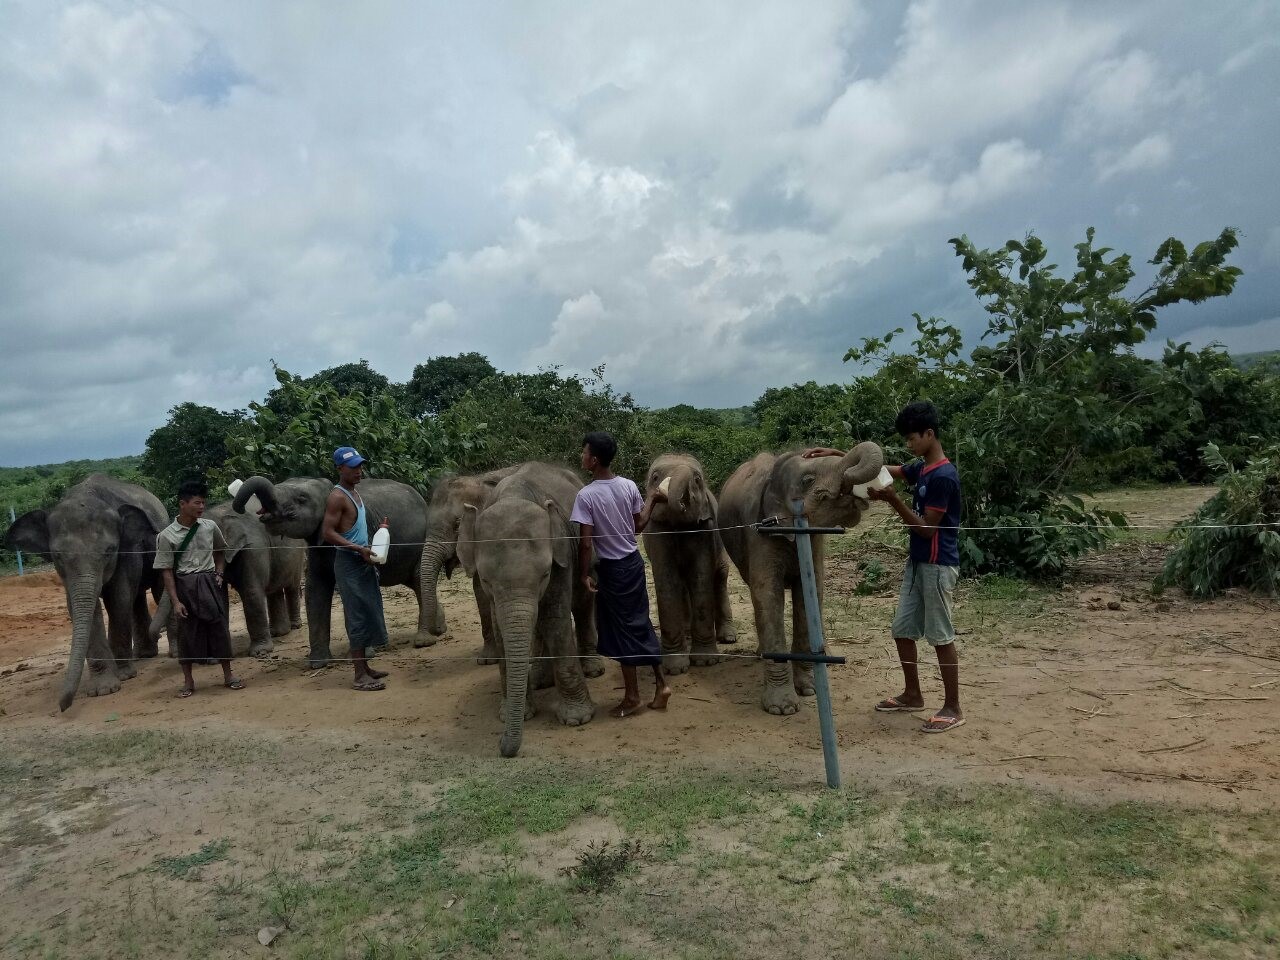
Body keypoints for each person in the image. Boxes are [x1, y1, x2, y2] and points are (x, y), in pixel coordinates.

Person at [806, 400, 965, 733]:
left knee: (940, 636)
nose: (909, 444)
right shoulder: (922, 468)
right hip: (918, 563)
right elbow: (882, 470)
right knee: (902, 630)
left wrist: (893, 500)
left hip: (938, 565)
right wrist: (840, 457)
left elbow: (927, 529)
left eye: (912, 438)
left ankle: (953, 707)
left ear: (929, 434)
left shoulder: (943, 476)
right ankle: (912, 694)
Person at [571, 431, 671, 717]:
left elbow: (586, 543)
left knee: (622, 629)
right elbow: (638, 526)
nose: (582, 456)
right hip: (633, 564)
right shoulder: (627, 486)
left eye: (584, 452)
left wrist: (583, 574)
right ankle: (661, 685)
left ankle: (632, 697)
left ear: (594, 460)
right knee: (640, 622)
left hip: (613, 570)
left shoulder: (586, 496)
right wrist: (652, 499)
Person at [154, 480, 242, 698]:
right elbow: (166, 571)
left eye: (203, 502)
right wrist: (176, 601)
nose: (201, 507)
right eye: (196, 503)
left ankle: (229, 675)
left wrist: (219, 573)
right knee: (187, 633)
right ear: (182, 504)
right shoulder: (166, 536)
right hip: (185, 585)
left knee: (219, 628)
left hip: (210, 583)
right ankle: (188, 681)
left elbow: (220, 551)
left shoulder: (210, 527)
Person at [322, 446, 390, 692]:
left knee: (368, 610)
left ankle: (365, 667)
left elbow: (352, 529)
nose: (359, 471)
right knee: (357, 616)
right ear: (340, 468)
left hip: (361, 560)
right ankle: (359, 675)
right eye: (353, 467)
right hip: (349, 563)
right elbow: (328, 532)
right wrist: (356, 548)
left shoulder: (354, 492)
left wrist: (376, 537)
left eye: (360, 466)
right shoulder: (337, 497)